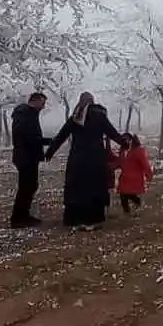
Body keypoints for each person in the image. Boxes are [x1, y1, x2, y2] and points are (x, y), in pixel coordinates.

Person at [45, 92, 128, 229]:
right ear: (92, 101)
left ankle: (75, 219)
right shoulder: (99, 115)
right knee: (93, 187)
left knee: (77, 188)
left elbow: (62, 135)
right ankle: (92, 219)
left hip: (77, 158)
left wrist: (50, 151)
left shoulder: (75, 116)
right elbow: (111, 132)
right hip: (95, 158)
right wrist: (123, 143)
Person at [8, 92, 54, 228]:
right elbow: (26, 137)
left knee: (30, 186)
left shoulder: (28, 114)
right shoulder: (25, 115)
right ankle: (18, 218)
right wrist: (46, 141)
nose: (44, 107)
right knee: (26, 187)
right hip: (25, 157)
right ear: (35, 101)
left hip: (28, 156)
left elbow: (30, 136)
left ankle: (23, 216)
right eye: (43, 103)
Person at [115, 132, 153, 216]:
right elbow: (119, 162)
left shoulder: (138, 151)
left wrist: (149, 174)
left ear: (132, 140)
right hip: (124, 177)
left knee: (129, 194)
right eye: (124, 140)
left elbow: (145, 163)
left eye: (127, 139)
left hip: (135, 177)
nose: (126, 141)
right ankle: (126, 212)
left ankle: (137, 202)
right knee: (122, 194)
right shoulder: (123, 151)